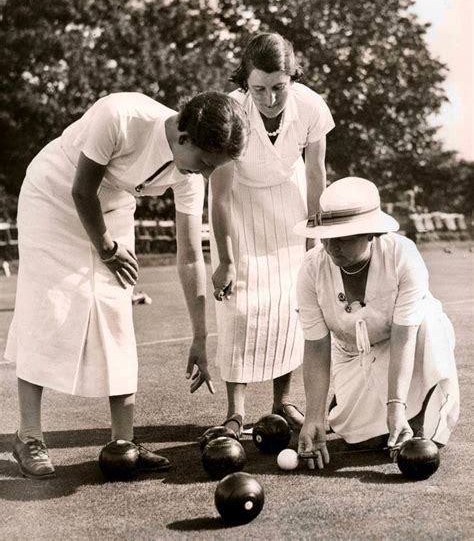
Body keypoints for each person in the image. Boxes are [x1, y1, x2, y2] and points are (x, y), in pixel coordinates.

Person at [4, 90, 248, 479]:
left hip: (112, 204)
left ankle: (123, 442)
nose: (204, 174)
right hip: (54, 195)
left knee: (116, 311)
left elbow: (188, 255)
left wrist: (200, 337)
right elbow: (81, 190)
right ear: (184, 137)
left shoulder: (190, 174)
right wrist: (105, 247)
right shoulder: (120, 115)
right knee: (48, 306)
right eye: (203, 163)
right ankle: (28, 436)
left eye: (212, 168)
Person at [209, 32, 335, 436]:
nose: (269, 98)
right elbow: (221, 195)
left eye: (278, 87)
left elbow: (315, 172)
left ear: (292, 78)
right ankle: (235, 413)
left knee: (290, 305)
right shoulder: (232, 110)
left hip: (291, 204)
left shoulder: (312, 106)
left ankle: (282, 402)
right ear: (245, 82)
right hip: (241, 206)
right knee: (239, 308)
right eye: (258, 88)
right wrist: (226, 261)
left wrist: (317, 238)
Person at [294, 177, 459, 469]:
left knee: (430, 323)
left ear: (371, 233)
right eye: (325, 237)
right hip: (353, 352)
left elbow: (404, 337)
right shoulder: (311, 268)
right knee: (363, 442)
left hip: (411, 342)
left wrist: (396, 407)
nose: (331, 247)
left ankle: (418, 418)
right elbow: (317, 347)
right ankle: (344, 405)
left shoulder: (402, 256)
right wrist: (314, 418)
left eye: (342, 238)